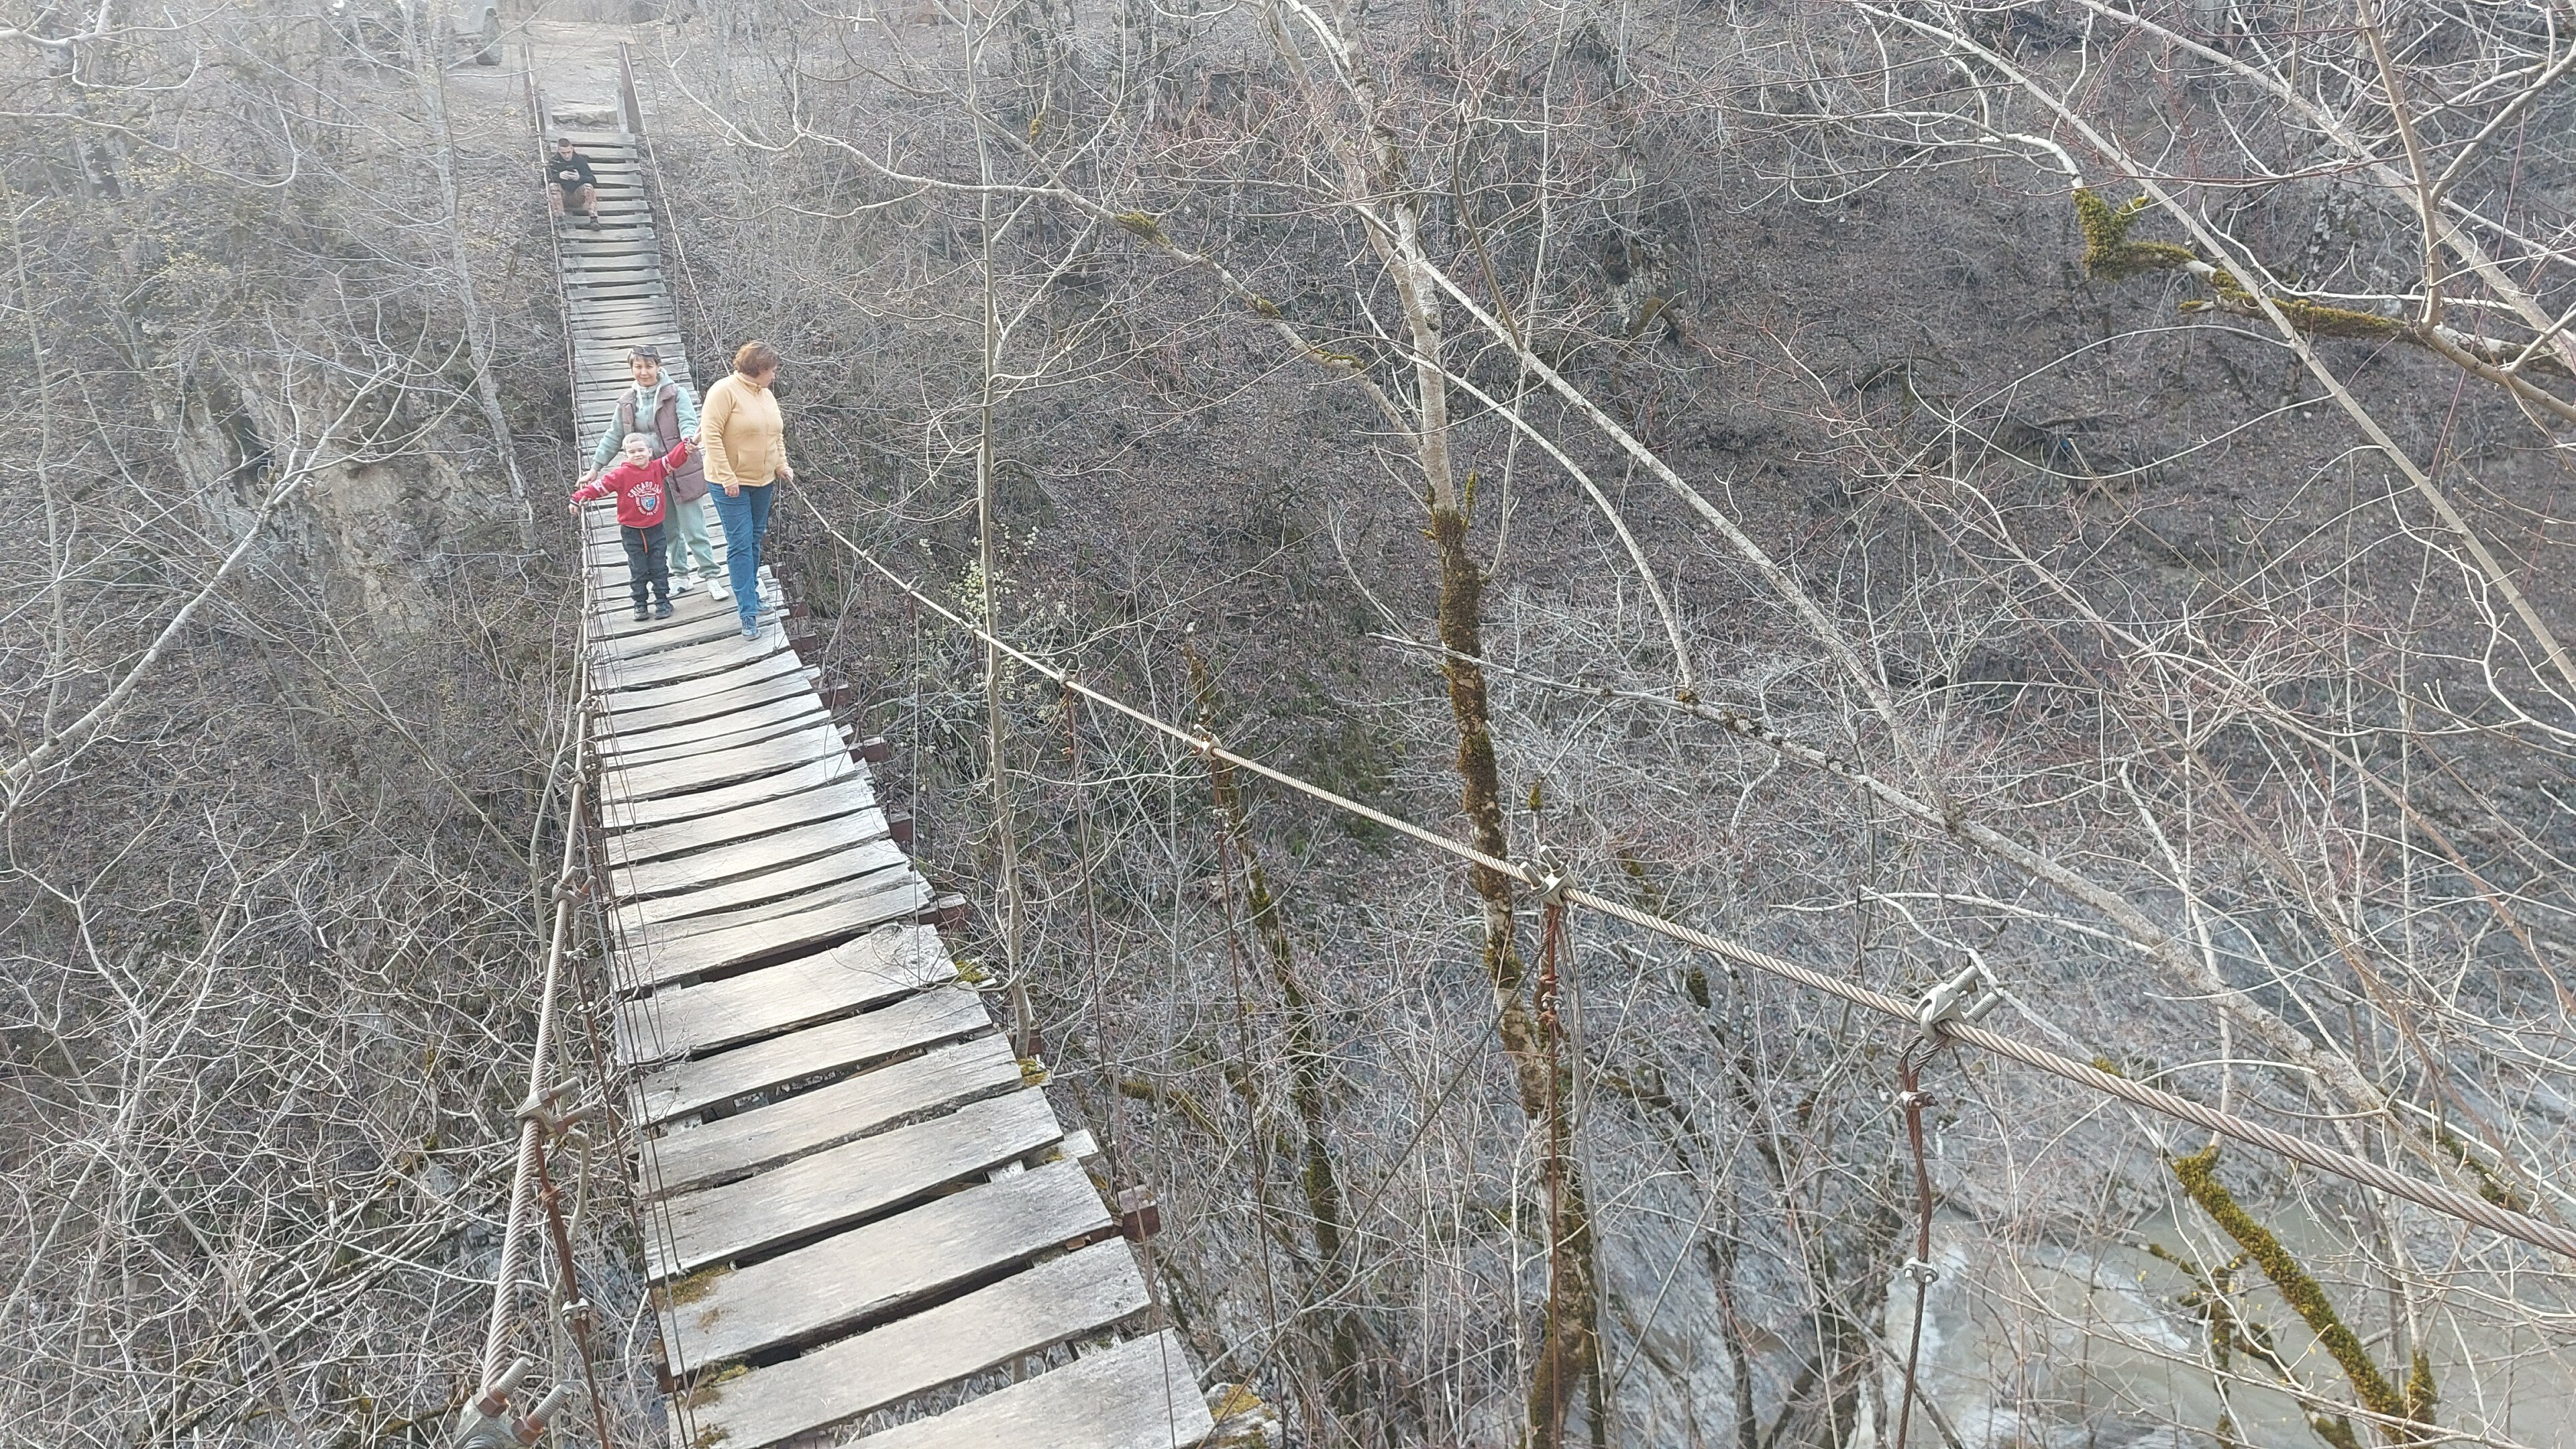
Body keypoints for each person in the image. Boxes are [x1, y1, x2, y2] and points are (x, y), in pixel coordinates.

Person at [578, 347, 722, 599]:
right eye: (638, 367)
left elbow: (688, 421)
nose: (644, 372)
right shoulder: (626, 401)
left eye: (649, 366)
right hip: (648, 475)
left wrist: (688, 441)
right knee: (667, 529)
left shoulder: (675, 394)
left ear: (658, 366)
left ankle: (710, 576)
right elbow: (614, 436)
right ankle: (681, 576)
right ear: (632, 369)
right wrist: (595, 468)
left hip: (680, 466)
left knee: (694, 526)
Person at [700, 340, 795, 640]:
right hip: (729, 483)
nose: (775, 376)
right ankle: (747, 613)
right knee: (740, 543)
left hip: (763, 480)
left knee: (754, 540)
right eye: (772, 370)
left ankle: (751, 593)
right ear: (758, 369)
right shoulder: (723, 391)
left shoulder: (766, 395)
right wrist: (728, 477)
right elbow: (710, 436)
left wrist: (782, 465)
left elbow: (775, 435)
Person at [570, 433, 693, 621]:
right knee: (638, 568)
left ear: (650, 452)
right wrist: (578, 499)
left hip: (656, 528)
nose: (637, 455)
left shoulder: (657, 468)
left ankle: (662, 600)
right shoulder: (621, 475)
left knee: (659, 566)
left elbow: (674, 459)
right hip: (632, 531)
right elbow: (599, 487)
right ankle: (640, 604)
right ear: (626, 455)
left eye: (641, 450)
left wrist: (688, 444)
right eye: (632, 452)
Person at [545, 138, 599, 227]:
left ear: (572, 149)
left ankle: (594, 219)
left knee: (588, 186)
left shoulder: (580, 161)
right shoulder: (554, 162)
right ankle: (559, 219)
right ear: (559, 152)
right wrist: (558, 176)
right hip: (562, 198)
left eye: (568, 152)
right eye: (563, 153)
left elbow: (593, 180)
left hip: (577, 196)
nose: (567, 156)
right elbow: (544, 180)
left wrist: (580, 178)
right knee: (553, 186)